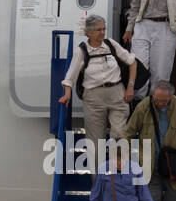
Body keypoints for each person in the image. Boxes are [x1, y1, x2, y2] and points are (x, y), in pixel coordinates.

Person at [59, 14, 137, 145]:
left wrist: (130, 86)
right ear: (88, 32)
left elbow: (132, 62)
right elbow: (70, 77)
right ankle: (97, 166)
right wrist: (67, 94)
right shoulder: (81, 51)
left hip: (117, 93)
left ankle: (117, 165)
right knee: (95, 140)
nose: (102, 32)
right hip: (93, 97)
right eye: (98, 30)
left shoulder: (111, 44)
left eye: (103, 29)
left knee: (120, 136)